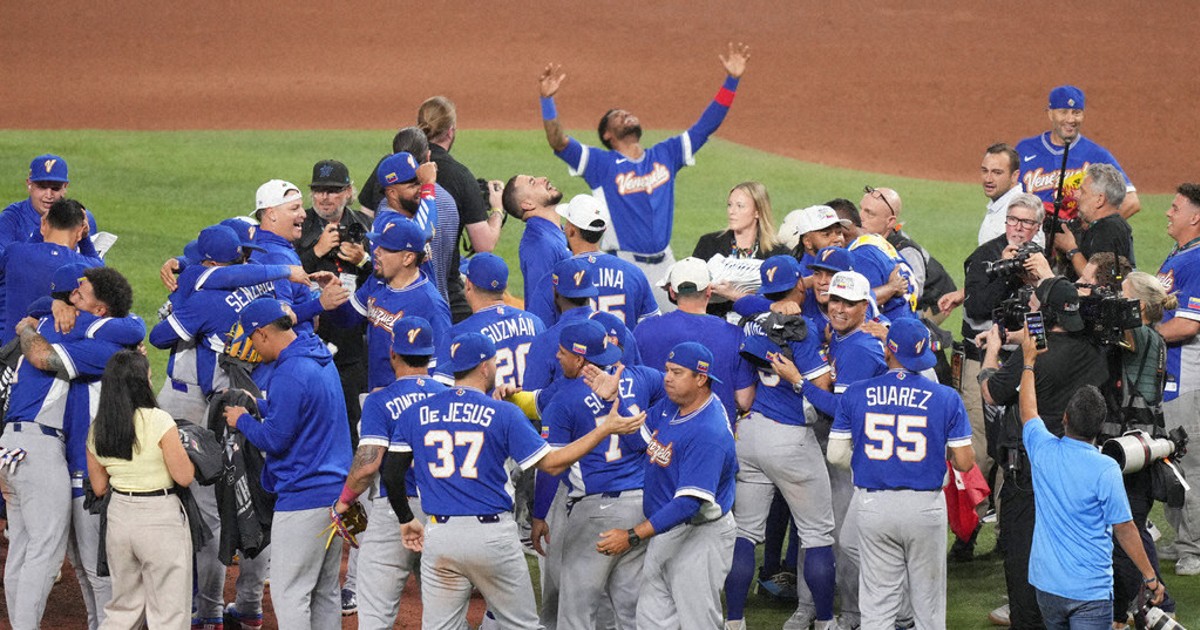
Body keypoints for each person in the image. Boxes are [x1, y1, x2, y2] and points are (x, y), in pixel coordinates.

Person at [380, 331, 645, 629]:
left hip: (439, 536)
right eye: (494, 362)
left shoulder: (417, 412)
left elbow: (391, 472)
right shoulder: (502, 413)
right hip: (492, 538)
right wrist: (604, 428)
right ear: (484, 368)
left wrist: (405, 518)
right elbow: (552, 465)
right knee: (521, 626)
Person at [538, 43, 750, 304]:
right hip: (624, 264)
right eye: (617, 116)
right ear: (607, 134)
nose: (626, 115)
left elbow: (706, 126)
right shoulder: (600, 164)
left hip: (666, 264)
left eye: (628, 113)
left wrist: (732, 80)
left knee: (674, 331)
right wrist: (547, 101)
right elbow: (559, 142)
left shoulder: (666, 153)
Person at [0, 266, 142, 630]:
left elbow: (132, 329)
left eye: (80, 293)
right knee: (48, 555)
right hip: (40, 447)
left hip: (14, 446)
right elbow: (133, 328)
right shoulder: (72, 330)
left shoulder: (60, 323)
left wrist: (40, 311)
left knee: (25, 549)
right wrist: (40, 316)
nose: (71, 298)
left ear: (99, 310)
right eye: (70, 294)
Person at [828, 318, 975, 629]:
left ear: (887, 351)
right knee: (929, 607)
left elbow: (836, 455)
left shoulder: (856, 393)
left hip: (874, 506)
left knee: (878, 607)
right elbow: (964, 462)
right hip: (925, 508)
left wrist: (872, 465)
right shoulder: (946, 397)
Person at [979, 277, 1109, 628]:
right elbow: (1060, 341)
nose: (1029, 307)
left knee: (1022, 555)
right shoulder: (1095, 346)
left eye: (1034, 303)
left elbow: (991, 392)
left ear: (1047, 312)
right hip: (1081, 468)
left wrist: (993, 350)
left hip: (1031, 474)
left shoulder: (1033, 357)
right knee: (1073, 547)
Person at [1015, 332, 1165, 627]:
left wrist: (1029, 363)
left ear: (1065, 419)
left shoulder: (1043, 450)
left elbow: (1028, 411)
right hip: (1090, 591)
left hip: (1047, 586)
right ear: (1099, 427)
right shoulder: (1105, 469)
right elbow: (1125, 529)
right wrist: (1150, 577)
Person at [222, 298, 353, 630]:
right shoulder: (318, 358)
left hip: (302, 500)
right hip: (335, 497)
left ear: (264, 333)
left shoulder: (289, 372)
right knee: (325, 592)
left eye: (252, 339)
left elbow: (275, 439)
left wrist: (243, 421)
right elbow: (304, 410)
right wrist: (262, 406)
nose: (251, 347)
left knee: (289, 592)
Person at [722, 256, 838, 630]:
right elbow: (820, 388)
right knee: (817, 534)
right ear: (798, 286)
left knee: (743, 535)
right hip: (791, 437)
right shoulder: (799, 328)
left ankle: (735, 621)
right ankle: (824, 621)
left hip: (751, 432)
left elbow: (742, 396)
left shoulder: (752, 327)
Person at [595, 342, 738, 630]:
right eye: (667, 371)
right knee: (651, 622)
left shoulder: (708, 433)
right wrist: (614, 398)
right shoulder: (672, 407)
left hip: (701, 536)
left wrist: (632, 536)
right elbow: (638, 441)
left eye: (677, 372)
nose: (667, 378)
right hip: (666, 529)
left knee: (698, 622)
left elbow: (688, 504)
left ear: (701, 378)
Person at [533, 319, 664, 629]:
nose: (558, 357)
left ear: (579, 359)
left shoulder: (562, 401)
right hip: (641, 507)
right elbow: (669, 400)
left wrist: (540, 515)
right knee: (629, 610)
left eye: (563, 352)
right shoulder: (637, 378)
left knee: (576, 612)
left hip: (596, 514)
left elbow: (552, 468)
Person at [331, 317, 447, 629]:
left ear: (393, 353)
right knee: (444, 615)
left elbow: (368, 465)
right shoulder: (449, 397)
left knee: (375, 613)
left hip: (395, 511)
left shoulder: (381, 400)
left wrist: (344, 501)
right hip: (446, 510)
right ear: (431, 354)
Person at [86, 350, 195, 629]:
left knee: (123, 609)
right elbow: (184, 477)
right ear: (140, 383)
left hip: (119, 518)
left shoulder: (98, 428)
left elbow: (99, 487)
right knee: (169, 613)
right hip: (160, 518)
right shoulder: (159, 420)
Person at [329, 215, 453, 388]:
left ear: (408, 258)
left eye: (386, 248)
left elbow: (442, 376)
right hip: (377, 396)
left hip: (406, 406)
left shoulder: (431, 305)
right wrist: (327, 298)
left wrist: (398, 398)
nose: (376, 252)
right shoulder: (377, 281)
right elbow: (348, 318)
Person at [633, 257, 755, 422]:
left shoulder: (644, 329)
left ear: (672, 293)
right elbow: (744, 400)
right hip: (712, 436)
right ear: (709, 292)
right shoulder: (735, 334)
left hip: (655, 436)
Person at [417, 96, 506, 322]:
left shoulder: (393, 164)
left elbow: (366, 216)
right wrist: (497, 209)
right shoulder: (459, 175)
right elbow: (484, 245)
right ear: (451, 131)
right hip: (441, 288)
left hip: (392, 282)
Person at [524, 193, 659, 327]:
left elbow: (537, 334)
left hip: (573, 348)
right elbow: (652, 328)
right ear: (603, 230)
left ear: (571, 230)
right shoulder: (634, 274)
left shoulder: (554, 280)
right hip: (622, 348)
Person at [1156, 183, 1200, 575]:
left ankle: (1196, 547)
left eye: (1175, 207)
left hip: (1188, 378)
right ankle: (1181, 537)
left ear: (1195, 217)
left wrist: (1144, 336)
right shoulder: (1181, 254)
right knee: (1170, 462)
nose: (1168, 212)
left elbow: (1187, 324)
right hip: (1167, 376)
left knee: (1191, 463)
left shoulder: (1199, 259)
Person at [1016, 85, 1140, 219]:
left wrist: (1090, 233)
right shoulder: (1025, 149)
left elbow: (1131, 202)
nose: (1070, 119)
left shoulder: (1097, 155)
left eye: (1076, 112)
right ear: (1050, 113)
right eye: (1063, 112)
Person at [250, 178, 350, 335]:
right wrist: (320, 304)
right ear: (272, 214)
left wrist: (317, 291)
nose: (303, 214)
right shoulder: (275, 257)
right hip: (292, 349)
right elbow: (279, 318)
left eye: (301, 207)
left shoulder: (272, 246)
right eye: (294, 208)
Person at [0, 198, 103, 343]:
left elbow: (28, 250)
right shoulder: (86, 266)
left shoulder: (14, 252)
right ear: (80, 232)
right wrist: (85, 239)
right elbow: (101, 269)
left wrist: (40, 230)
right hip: (52, 355)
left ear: (43, 225)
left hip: (8, 356)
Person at [692, 181, 787, 318]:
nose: (732, 211)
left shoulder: (779, 254)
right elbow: (689, 294)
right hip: (714, 322)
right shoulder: (709, 244)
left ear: (757, 212)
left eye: (740, 206)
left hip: (759, 327)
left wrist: (734, 294)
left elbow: (783, 303)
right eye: (730, 205)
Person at [450, 252, 544, 390]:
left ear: (468, 285)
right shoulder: (536, 323)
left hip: (490, 409)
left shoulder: (460, 334)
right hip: (533, 407)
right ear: (505, 287)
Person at [1050, 163, 1135, 278]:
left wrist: (1071, 250)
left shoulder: (1110, 230)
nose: (1076, 195)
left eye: (1083, 191)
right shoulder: (1100, 226)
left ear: (1100, 200)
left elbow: (1099, 281)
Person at [0, 154, 98, 247]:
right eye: (42, 187)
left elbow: (94, 262)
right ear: (29, 185)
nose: (49, 195)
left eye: (55, 188)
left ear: (65, 187)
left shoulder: (83, 219)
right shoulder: (11, 219)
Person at [851, 186, 916, 321]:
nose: (860, 217)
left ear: (890, 221)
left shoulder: (865, 252)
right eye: (861, 209)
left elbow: (860, 309)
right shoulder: (893, 253)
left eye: (870, 213)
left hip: (887, 336)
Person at [501, 174, 569, 298]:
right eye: (532, 182)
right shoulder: (539, 243)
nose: (543, 178)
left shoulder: (557, 232)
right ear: (528, 204)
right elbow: (541, 302)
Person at [978, 143, 1044, 247]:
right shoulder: (999, 203)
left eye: (997, 172)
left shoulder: (1022, 210)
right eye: (985, 171)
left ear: (1014, 176)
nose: (988, 179)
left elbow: (1029, 257)